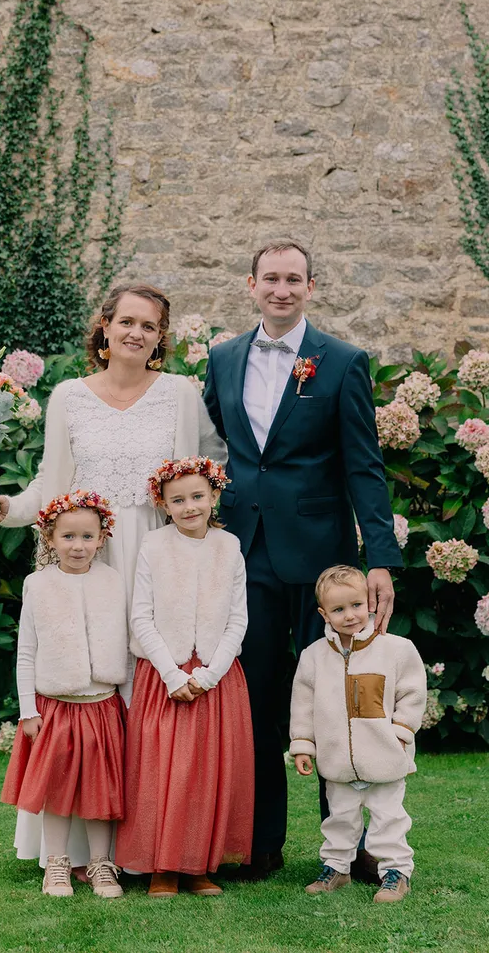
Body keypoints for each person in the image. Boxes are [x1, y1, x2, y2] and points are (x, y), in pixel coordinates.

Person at [0, 283, 226, 870]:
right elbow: (51, 483)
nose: (138, 333)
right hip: (88, 559)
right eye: (128, 322)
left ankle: (147, 844)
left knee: (147, 688)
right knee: (86, 693)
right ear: (105, 328)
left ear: (161, 339)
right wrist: (7, 508)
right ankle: (77, 848)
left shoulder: (181, 395)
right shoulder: (69, 395)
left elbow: (211, 468)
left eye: (151, 326)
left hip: (159, 554)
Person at [203, 239, 404, 880]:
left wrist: (380, 559)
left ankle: (348, 848)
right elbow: (216, 449)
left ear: (311, 287)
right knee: (258, 698)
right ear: (251, 284)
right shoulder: (222, 358)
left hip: (325, 564)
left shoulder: (342, 362)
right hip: (247, 553)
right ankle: (260, 844)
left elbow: (364, 466)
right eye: (271, 279)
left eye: (294, 279)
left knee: (341, 700)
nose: (281, 289)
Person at [115, 456, 254, 898]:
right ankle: (162, 867)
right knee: (162, 771)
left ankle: (199, 865)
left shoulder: (229, 547)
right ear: (164, 504)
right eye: (178, 500)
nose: (190, 506)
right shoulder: (154, 547)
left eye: (198, 496)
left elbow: (238, 619)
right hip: (165, 676)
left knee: (207, 773)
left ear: (215, 495)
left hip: (216, 674)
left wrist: (211, 674)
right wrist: (172, 674)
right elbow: (141, 616)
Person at [1, 490, 128, 898]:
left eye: (87, 537)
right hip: (56, 706)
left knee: (102, 791)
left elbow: (125, 647)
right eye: (68, 537)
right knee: (57, 790)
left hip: (102, 705)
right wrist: (27, 710)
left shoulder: (113, 581)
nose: (78, 546)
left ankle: (101, 864)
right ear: (49, 539)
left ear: (102, 538)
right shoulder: (38, 585)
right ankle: (56, 864)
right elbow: (27, 651)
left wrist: (127, 702)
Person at [290, 564, 426, 903]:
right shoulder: (314, 657)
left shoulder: (396, 649)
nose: (349, 615)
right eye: (338, 609)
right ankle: (337, 867)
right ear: (323, 613)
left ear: (369, 602)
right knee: (340, 819)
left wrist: (401, 733)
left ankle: (396, 872)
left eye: (355, 605)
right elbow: (303, 703)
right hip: (337, 760)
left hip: (384, 757)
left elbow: (412, 693)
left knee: (388, 818)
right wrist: (303, 745)